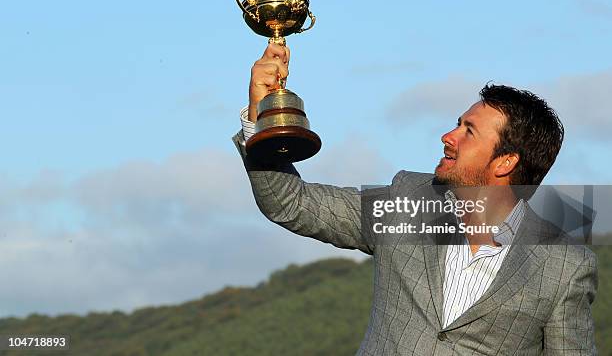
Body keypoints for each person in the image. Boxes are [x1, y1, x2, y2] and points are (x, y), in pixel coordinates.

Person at [232, 43, 598, 355]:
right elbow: (290, 203)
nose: (448, 136)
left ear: (506, 161)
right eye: (458, 123)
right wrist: (261, 113)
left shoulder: (564, 266)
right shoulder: (405, 201)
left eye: (468, 131)